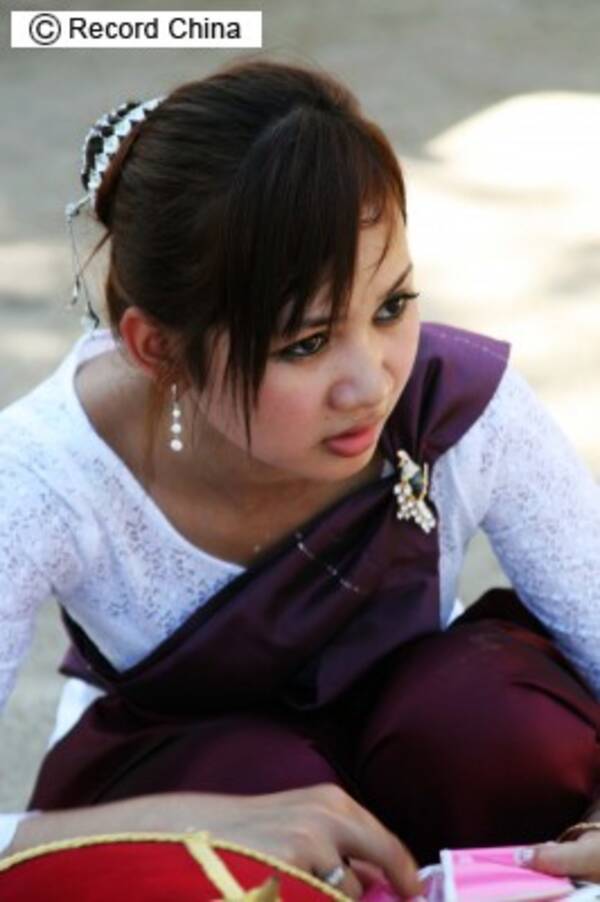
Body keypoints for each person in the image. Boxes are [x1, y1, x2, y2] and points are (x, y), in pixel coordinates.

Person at [1, 55, 599, 898]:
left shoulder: (455, 405)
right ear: (157, 348)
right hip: (197, 778)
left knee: (494, 726)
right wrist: (193, 824)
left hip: (430, 756)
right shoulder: (41, 477)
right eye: (306, 343)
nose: (372, 384)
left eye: (391, 306)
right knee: (237, 814)